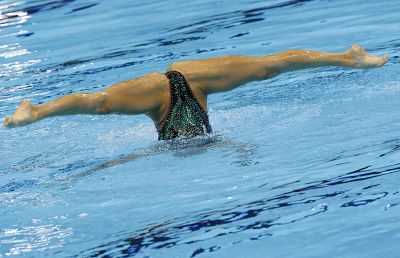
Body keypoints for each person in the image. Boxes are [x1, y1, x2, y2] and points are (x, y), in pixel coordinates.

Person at [2, 44, 387, 140]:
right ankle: (35, 111)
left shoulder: (179, 143)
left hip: (164, 96)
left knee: (100, 104)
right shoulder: (201, 142)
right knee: (270, 67)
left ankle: (348, 58)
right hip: (187, 87)